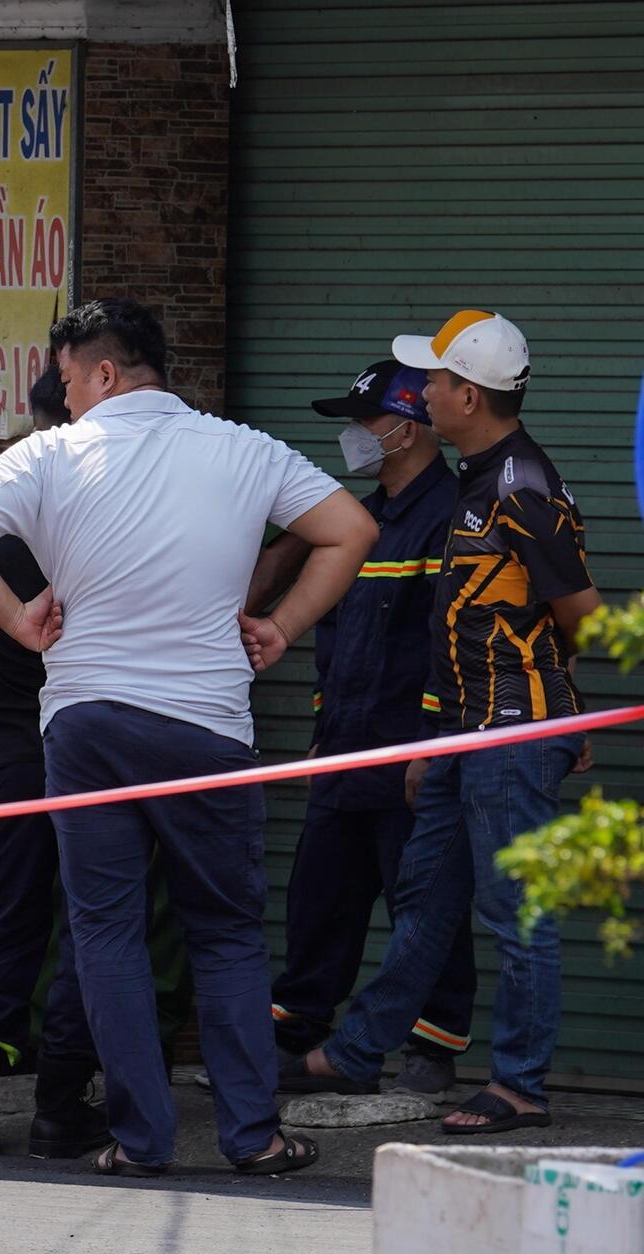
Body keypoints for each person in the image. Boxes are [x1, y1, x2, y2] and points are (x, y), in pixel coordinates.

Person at [0, 297, 376, 1177]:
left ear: (103, 373)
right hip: (206, 724)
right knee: (226, 932)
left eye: (67, 381)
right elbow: (351, 529)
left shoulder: (52, 454)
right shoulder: (243, 448)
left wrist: (18, 620)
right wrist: (281, 626)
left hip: (86, 722)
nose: (64, 399)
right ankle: (253, 1137)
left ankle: (140, 1141)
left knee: (106, 931)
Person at [285, 311, 598, 1134]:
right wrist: (435, 741)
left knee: (516, 912)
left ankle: (519, 1084)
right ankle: (358, 1051)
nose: (421, 393)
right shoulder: (475, 479)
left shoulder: (520, 487)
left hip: (511, 732)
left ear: (468, 396)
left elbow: (580, 612)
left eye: (433, 380)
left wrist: (558, 710)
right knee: (424, 898)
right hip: (464, 731)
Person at [249, 360, 476, 1096]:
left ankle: (432, 1047)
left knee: (425, 906)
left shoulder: (452, 515)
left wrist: (433, 744)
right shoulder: (355, 522)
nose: (352, 435)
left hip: (412, 753)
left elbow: (452, 643)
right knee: (320, 896)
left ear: (406, 429)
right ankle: (296, 1032)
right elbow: (336, 634)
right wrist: (325, 723)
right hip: (347, 747)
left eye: (364, 421)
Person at [0, 367, 106, 1159]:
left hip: (16, 753)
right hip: (94, 750)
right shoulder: (109, 516)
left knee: (2, 917)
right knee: (92, 921)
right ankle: (60, 1107)